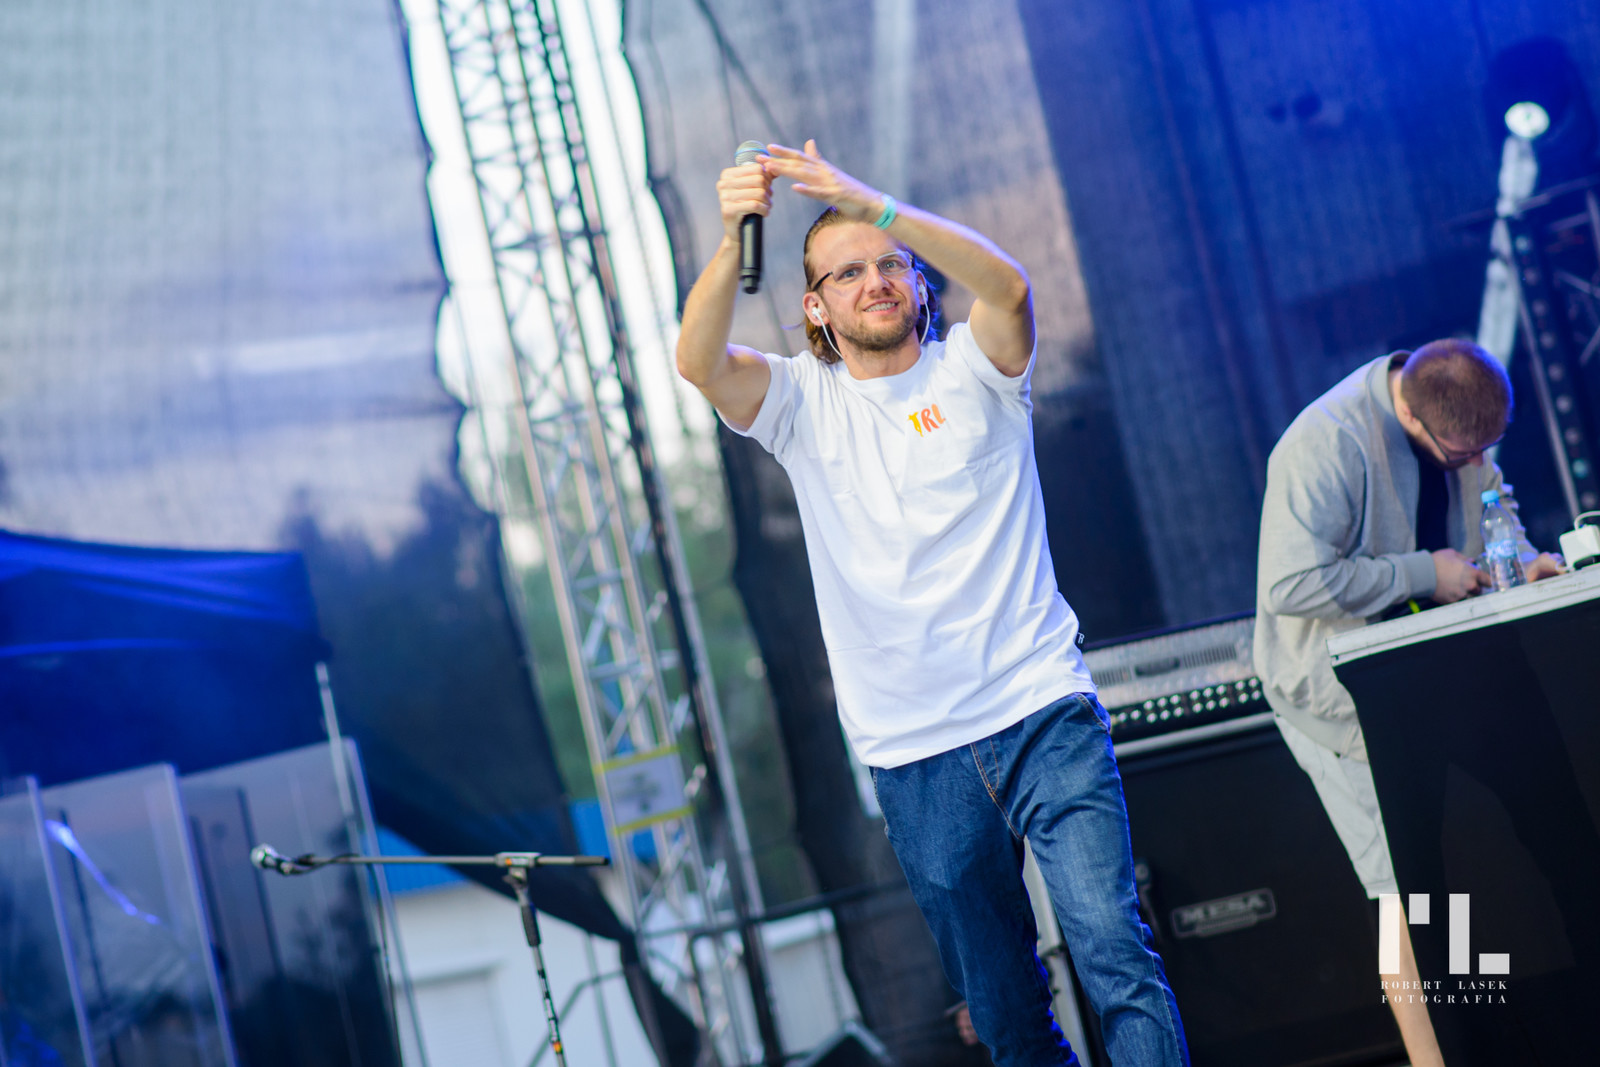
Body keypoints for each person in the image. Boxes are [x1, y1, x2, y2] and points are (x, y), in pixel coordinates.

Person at [676, 139, 1187, 1066]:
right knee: (1005, 1012)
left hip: (1040, 707)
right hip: (914, 752)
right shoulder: (800, 403)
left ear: (917, 283)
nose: (874, 280)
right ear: (815, 307)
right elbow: (698, 360)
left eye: (889, 264)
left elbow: (1010, 287)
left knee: (1115, 952)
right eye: (847, 273)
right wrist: (730, 236)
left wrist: (873, 203)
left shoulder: (973, 370)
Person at [1254, 338, 1564, 1067]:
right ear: (1413, 418)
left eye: (1486, 449)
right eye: (1463, 454)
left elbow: (1495, 526)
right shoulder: (1325, 443)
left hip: (1425, 684)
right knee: (1401, 890)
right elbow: (1289, 584)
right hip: (1337, 707)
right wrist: (1423, 572)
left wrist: (1526, 566)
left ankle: (1488, 1041)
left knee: (1456, 873)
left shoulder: (1458, 418)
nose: (1476, 462)